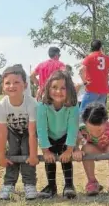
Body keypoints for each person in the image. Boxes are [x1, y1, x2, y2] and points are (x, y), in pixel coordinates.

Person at [0, 65, 39, 200]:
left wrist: (33, 155)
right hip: (12, 131)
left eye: (16, 82)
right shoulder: (2, 105)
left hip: (28, 132)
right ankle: (8, 184)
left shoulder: (32, 104)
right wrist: (1, 155)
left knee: (27, 151)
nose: (11, 86)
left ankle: (29, 184)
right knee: (13, 152)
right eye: (7, 83)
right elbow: (2, 133)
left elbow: (32, 133)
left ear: (25, 85)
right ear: (3, 86)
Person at [36, 70, 79, 199]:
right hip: (49, 138)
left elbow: (73, 129)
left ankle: (69, 185)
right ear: (48, 88)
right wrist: (45, 151)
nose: (58, 91)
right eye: (54, 87)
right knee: (49, 161)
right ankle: (51, 186)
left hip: (65, 137)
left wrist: (69, 150)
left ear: (69, 90)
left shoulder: (73, 106)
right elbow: (41, 129)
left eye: (63, 88)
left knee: (66, 160)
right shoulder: (42, 106)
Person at [75, 102, 109, 196]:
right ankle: (92, 181)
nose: (95, 133)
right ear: (85, 123)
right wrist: (76, 149)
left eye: (99, 130)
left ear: (106, 121)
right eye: (91, 130)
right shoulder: (81, 128)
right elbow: (75, 141)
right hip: (94, 148)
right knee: (86, 148)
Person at [79, 40, 109, 112]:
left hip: (91, 88)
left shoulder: (89, 57)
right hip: (103, 89)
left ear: (91, 48)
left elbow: (81, 70)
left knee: (83, 112)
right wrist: (108, 76)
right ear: (100, 48)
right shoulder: (107, 58)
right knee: (99, 114)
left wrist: (85, 82)